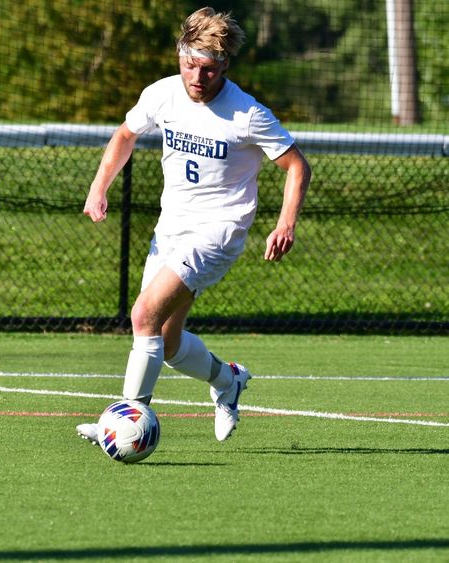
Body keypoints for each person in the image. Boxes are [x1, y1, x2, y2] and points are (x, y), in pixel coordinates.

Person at [78, 7, 311, 443]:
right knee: (165, 343)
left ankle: (126, 423)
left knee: (143, 314)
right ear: (179, 56)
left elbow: (297, 167)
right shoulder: (163, 94)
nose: (197, 77)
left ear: (224, 65)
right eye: (189, 65)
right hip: (172, 228)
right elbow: (125, 135)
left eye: (208, 69)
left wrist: (286, 224)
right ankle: (227, 381)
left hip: (218, 232)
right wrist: (99, 186)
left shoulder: (247, 113)